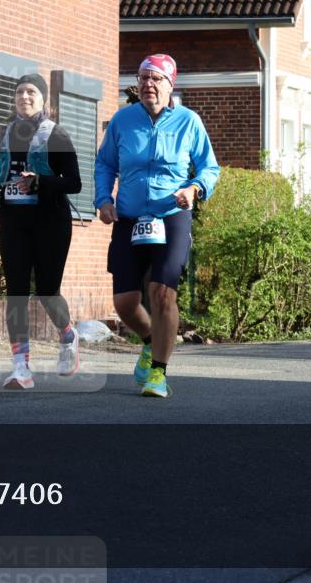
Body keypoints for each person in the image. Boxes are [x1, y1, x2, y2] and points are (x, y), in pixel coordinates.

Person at [94, 54, 220, 397]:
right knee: (124, 302)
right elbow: (105, 164)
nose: (148, 85)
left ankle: (159, 373)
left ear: (170, 84)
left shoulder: (188, 122)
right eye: (142, 78)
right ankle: (150, 342)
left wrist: (194, 188)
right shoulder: (123, 121)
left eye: (156, 79)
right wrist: (103, 199)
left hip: (171, 215)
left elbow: (210, 167)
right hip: (130, 217)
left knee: (162, 292)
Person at [0, 74, 81, 389]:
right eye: (19, 92)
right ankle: (21, 367)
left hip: (51, 221)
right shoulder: (5, 133)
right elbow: (2, 173)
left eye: (31, 91)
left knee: (48, 291)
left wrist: (41, 181)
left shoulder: (56, 134)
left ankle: (67, 336)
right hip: (14, 221)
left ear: (43, 99)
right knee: (16, 292)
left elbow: (74, 183)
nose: (24, 96)